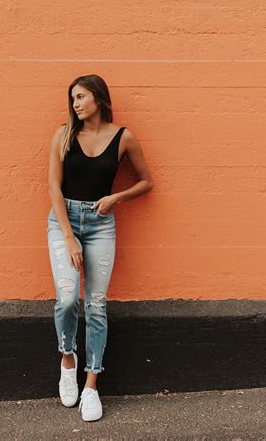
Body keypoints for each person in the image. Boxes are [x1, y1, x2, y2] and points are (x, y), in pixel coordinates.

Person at [47, 74, 153, 421]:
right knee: (66, 299)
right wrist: (67, 235)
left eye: (80, 97)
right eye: (72, 99)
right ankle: (67, 357)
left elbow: (146, 182)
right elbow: (53, 187)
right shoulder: (63, 135)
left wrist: (116, 198)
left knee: (95, 304)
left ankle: (91, 384)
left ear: (98, 97)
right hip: (64, 222)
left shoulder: (123, 137)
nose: (75, 104)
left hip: (100, 223)